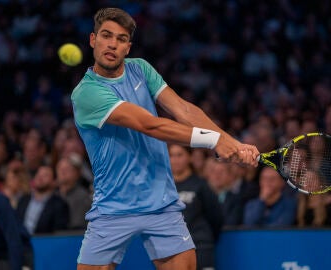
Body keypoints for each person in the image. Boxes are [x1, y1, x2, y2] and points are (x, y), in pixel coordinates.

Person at [71, 7, 259, 270]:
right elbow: (150, 125)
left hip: (161, 202)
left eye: (121, 39)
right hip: (113, 207)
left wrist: (232, 142)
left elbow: (183, 109)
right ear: (93, 40)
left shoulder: (140, 69)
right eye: (106, 35)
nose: (112, 44)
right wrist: (213, 140)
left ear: (128, 47)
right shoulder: (87, 93)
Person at [169, 144, 223, 270]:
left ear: (189, 157)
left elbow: (215, 217)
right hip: (173, 250)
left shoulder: (201, 185)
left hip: (201, 248)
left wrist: (205, 239)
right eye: (171, 155)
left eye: (179, 155)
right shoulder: (165, 188)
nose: (175, 160)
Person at [16, 165, 69, 234]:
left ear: (54, 182)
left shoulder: (59, 205)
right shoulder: (23, 200)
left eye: (45, 175)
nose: (40, 177)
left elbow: (58, 233)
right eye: (38, 174)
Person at [56, 153, 92, 230]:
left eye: (67, 169)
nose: (63, 172)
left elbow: (77, 226)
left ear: (77, 173)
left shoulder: (82, 197)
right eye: (60, 169)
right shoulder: (54, 195)